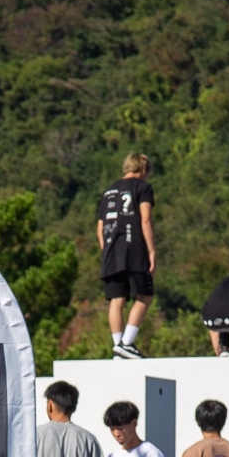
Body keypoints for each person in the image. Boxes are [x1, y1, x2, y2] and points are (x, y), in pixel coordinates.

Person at [97, 153, 157, 360]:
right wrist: (151, 251)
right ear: (143, 169)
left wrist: (107, 250)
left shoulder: (108, 192)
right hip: (134, 250)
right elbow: (146, 219)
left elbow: (100, 228)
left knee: (116, 299)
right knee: (144, 295)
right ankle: (127, 342)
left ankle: (117, 346)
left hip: (111, 252)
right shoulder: (142, 188)